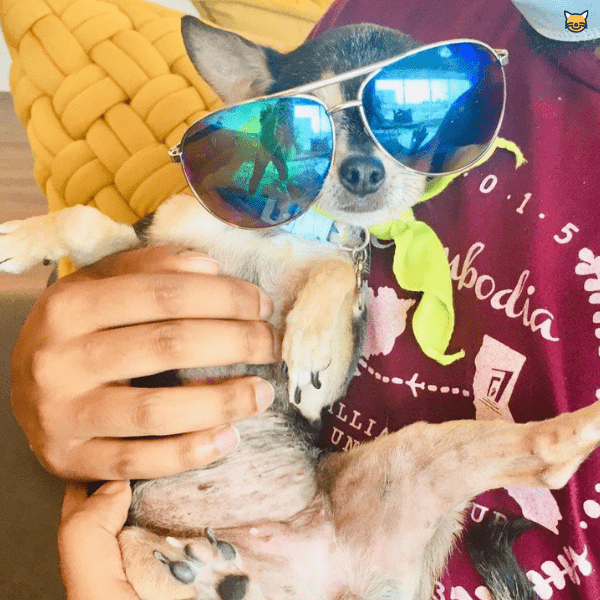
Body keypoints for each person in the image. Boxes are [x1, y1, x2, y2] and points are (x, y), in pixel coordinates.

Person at [11, 1, 600, 598]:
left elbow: (324, 359)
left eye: (405, 118)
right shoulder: (390, 11)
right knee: (417, 454)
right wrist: (62, 344)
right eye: (319, 124)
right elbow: (122, 271)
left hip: (309, 537)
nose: (363, 165)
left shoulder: (330, 262)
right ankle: (540, 447)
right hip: (315, 515)